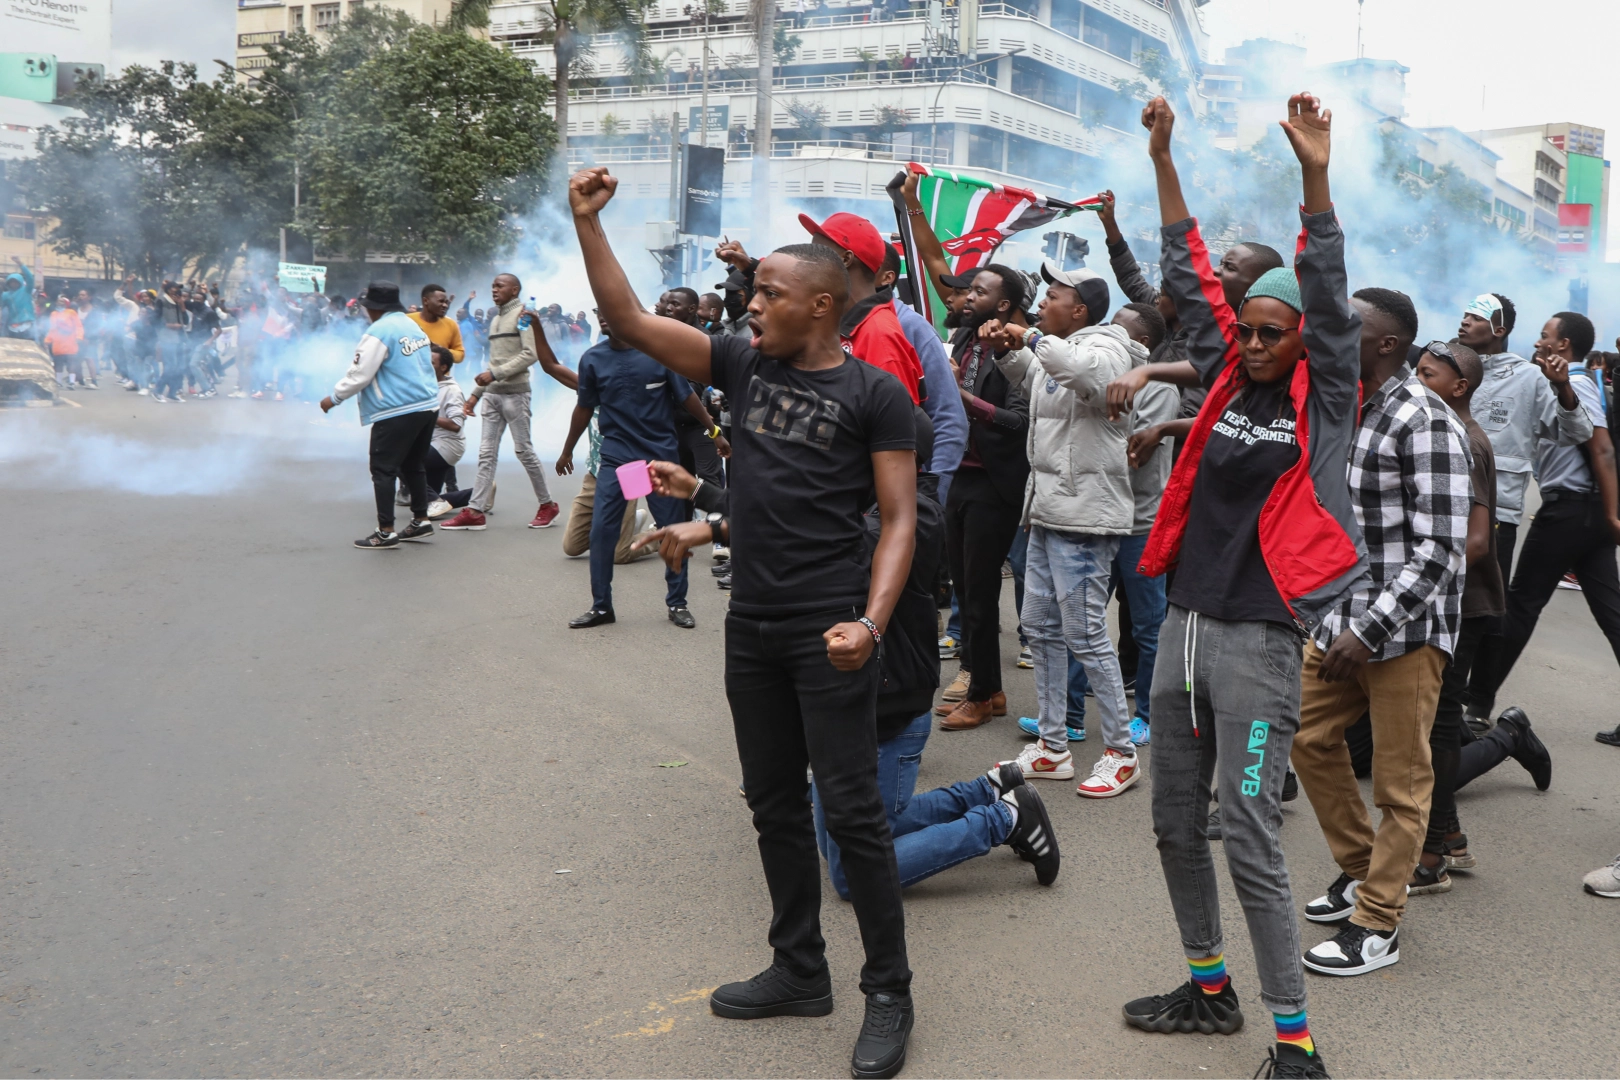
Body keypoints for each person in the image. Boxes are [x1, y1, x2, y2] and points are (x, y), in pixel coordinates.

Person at [571, 165, 920, 1080]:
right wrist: (588, 226)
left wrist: (872, 626)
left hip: (829, 632)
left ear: (821, 304)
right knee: (770, 804)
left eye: (767, 290)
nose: (749, 302)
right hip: (752, 626)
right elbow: (629, 324)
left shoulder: (877, 396)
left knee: (851, 815)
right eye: (752, 288)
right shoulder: (740, 363)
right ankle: (800, 969)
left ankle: (890, 990)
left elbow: (899, 521)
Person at [1116, 94, 1362, 1080]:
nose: (1255, 345)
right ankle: (1208, 990)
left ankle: (1296, 1043)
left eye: (1273, 333)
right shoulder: (1221, 381)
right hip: (1182, 623)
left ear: (1304, 342)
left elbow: (1331, 293)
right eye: (1248, 330)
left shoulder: (1327, 397)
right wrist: (1164, 158)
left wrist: (1314, 175)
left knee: (1251, 833)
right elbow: (1181, 267)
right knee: (1175, 820)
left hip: (1261, 642)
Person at [1287, 279, 1469, 980]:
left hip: (1406, 631)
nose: (1325, 333)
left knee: (1400, 780)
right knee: (1303, 736)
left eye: (1346, 326)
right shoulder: (1342, 407)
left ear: (1387, 343)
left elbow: (1441, 550)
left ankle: (1379, 921)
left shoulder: (1425, 420)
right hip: (1337, 618)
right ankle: (1364, 871)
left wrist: (1368, 627)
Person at [977, 261, 1145, 796]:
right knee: (1042, 628)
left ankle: (1121, 753)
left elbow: (1089, 378)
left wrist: (1028, 333)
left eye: (1053, 296)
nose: (1042, 302)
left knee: (1086, 633)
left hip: (1084, 517)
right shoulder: (1061, 348)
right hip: (1049, 511)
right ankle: (1052, 748)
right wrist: (1009, 351)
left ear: (1081, 309)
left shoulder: (1109, 348)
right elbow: (1039, 377)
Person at [1407, 340, 1551, 894]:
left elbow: (1475, 541)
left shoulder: (1467, 441)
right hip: (1443, 597)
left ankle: (1432, 853)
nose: (1416, 381)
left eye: (1427, 373)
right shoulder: (1436, 430)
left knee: (1438, 726)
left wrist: (1415, 586)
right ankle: (1449, 837)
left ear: (1459, 386)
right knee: (1430, 726)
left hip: (1460, 604)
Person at [1463, 312, 1620, 747]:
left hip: (1572, 510)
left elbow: (1601, 448)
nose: (1538, 340)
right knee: (1613, 615)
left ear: (1563, 345)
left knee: (1518, 604)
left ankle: (1476, 703)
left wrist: (1612, 515)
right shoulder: (1548, 380)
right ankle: (1476, 700)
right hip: (1581, 512)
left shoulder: (1577, 384)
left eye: (1545, 336)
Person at [556, 309, 702, 630]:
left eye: (610, 309)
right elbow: (584, 407)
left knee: (672, 529)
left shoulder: (658, 353)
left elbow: (686, 395)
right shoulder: (593, 358)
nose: (604, 316)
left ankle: (677, 604)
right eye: (599, 311)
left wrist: (714, 430)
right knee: (602, 530)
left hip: (659, 459)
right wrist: (567, 449)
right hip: (620, 460)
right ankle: (601, 606)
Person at [318, 283, 439, 550]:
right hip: (428, 405)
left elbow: (360, 374)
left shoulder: (379, 331)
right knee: (413, 465)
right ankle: (420, 519)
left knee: (383, 470)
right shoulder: (410, 324)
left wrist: (334, 398)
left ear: (373, 308)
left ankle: (385, 531)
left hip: (398, 409)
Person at [440, 273, 562, 532]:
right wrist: (475, 395)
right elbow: (493, 363)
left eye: (499, 286)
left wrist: (493, 375)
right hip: (492, 396)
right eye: (492, 285)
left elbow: (531, 354)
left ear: (515, 290)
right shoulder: (495, 319)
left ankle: (547, 504)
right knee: (486, 454)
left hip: (516, 395)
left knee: (524, 451)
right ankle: (475, 511)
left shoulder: (523, 316)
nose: (494, 289)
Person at [800, 211, 925, 403]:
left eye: (817, 251)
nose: (807, 262)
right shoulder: (837, 322)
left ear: (845, 259)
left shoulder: (880, 338)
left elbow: (898, 429)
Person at [422, 346, 469, 516]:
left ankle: (435, 501)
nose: (426, 365)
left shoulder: (451, 390)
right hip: (433, 444)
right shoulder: (429, 385)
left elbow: (456, 424)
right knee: (421, 502)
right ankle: (479, 493)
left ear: (443, 367)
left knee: (399, 460)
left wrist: (428, 416)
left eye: (431, 362)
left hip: (447, 446)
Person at [409, 284, 466, 365]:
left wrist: (441, 352)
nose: (445, 305)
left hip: (439, 377)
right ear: (426, 301)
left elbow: (460, 355)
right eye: (441, 301)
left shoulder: (451, 324)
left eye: (446, 302)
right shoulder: (407, 320)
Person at [44, 296, 85, 388]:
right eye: (58, 301)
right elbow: (52, 329)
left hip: (70, 342)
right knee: (58, 363)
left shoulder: (71, 313)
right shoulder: (53, 314)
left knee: (71, 363)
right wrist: (47, 340)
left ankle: (72, 382)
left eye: (62, 301)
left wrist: (79, 337)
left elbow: (79, 326)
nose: (60, 303)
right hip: (57, 343)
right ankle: (58, 382)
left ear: (66, 303)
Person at [3, 257, 35, 339]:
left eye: (15, 281)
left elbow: (30, 277)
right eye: (11, 282)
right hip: (12, 327)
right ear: (8, 283)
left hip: (27, 326)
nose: (13, 283)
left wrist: (21, 264)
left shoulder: (26, 290)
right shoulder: (5, 295)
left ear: (20, 281)